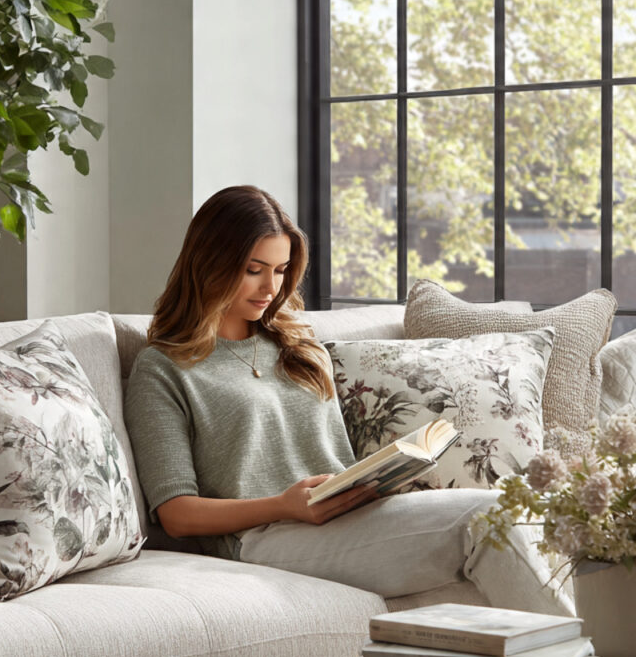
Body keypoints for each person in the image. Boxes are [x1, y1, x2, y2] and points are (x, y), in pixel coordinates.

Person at [124, 185, 572, 614]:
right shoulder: (163, 367)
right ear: (209, 264)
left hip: (350, 519)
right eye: (253, 270)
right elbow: (177, 514)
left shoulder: (299, 347)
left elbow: (332, 459)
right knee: (486, 519)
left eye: (280, 271)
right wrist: (283, 504)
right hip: (264, 536)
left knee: (512, 506)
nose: (270, 289)